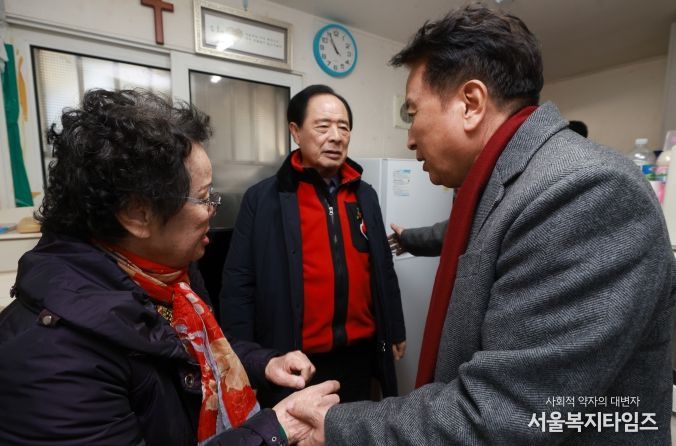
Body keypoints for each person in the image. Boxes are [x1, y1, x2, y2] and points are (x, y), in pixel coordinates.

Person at [289, 5, 675, 444]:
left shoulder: (585, 189)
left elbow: (504, 411)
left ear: (471, 104)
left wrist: (338, 426)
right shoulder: (504, 185)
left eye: (413, 113)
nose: (409, 138)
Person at [0, 89, 339, 446]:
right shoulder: (56, 357)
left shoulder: (169, 276)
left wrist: (263, 363)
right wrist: (274, 430)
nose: (213, 210)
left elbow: (190, 357)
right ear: (138, 214)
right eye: (204, 198)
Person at [220, 85, 406, 407]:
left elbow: (382, 269)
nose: (336, 136)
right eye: (323, 126)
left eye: (344, 127)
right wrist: (245, 358)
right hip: (296, 360)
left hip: (359, 356)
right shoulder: (263, 199)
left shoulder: (365, 195)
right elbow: (238, 282)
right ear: (296, 131)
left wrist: (395, 329)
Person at [387, 121, 589, 257]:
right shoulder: (494, 176)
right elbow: (458, 229)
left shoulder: (563, 187)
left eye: (414, 113)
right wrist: (409, 239)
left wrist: (409, 238)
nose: (411, 143)